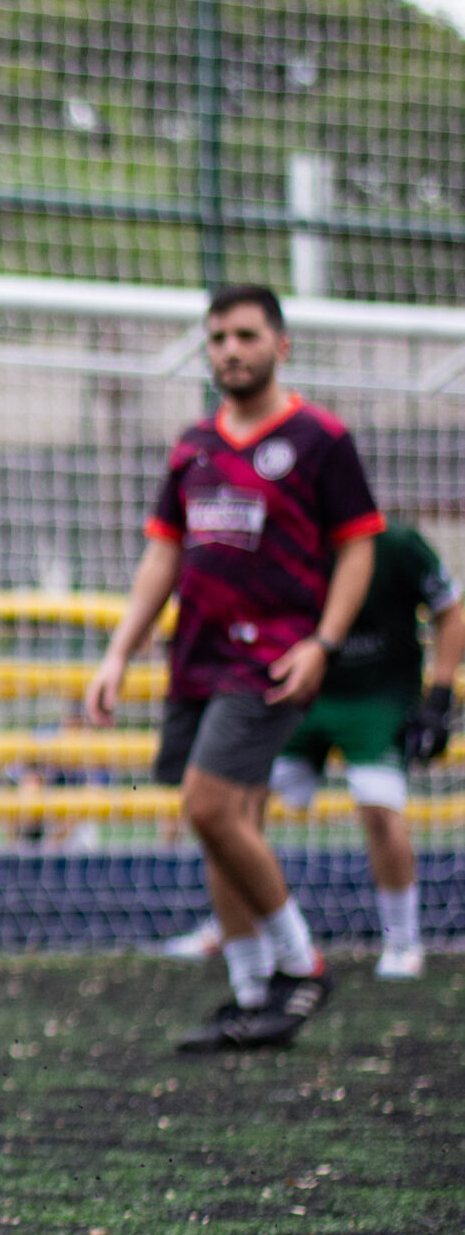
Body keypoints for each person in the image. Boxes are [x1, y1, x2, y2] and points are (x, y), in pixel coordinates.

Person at [84, 282, 380, 1052]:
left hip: (272, 658)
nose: (230, 351)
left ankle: (302, 965)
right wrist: (119, 651)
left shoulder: (320, 438)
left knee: (210, 806)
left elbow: (358, 547)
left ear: (281, 344)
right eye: (218, 338)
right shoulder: (194, 444)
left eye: (246, 335)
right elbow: (163, 553)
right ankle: (252, 994)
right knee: (222, 822)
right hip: (198, 659)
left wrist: (323, 642)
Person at [264, 518, 459, 980]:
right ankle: (238, 923)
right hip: (305, 693)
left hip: (380, 700)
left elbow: (450, 612)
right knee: (233, 802)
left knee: (379, 806)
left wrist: (440, 697)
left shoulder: (399, 545)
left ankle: (402, 940)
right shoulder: (289, 540)